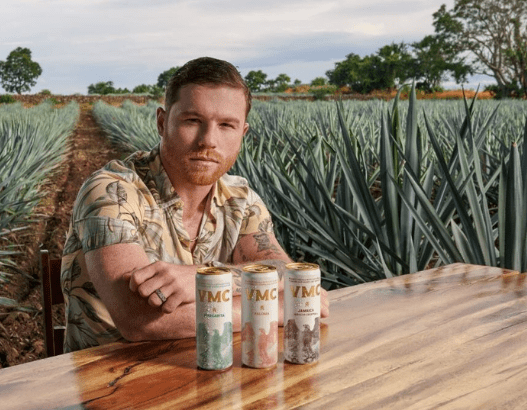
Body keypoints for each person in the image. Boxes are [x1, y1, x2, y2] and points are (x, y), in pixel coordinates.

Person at [60, 56, 330, 353]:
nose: (208, 141)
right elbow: (140, 321)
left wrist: (205, 280)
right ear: (162, 123)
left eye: (226, 125)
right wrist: (281, 308)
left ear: (243, 134)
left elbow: (283, 270)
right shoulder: (112, 192)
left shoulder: (241, 199)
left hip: (212, 369)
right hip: (111, 383)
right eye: (192, 121)